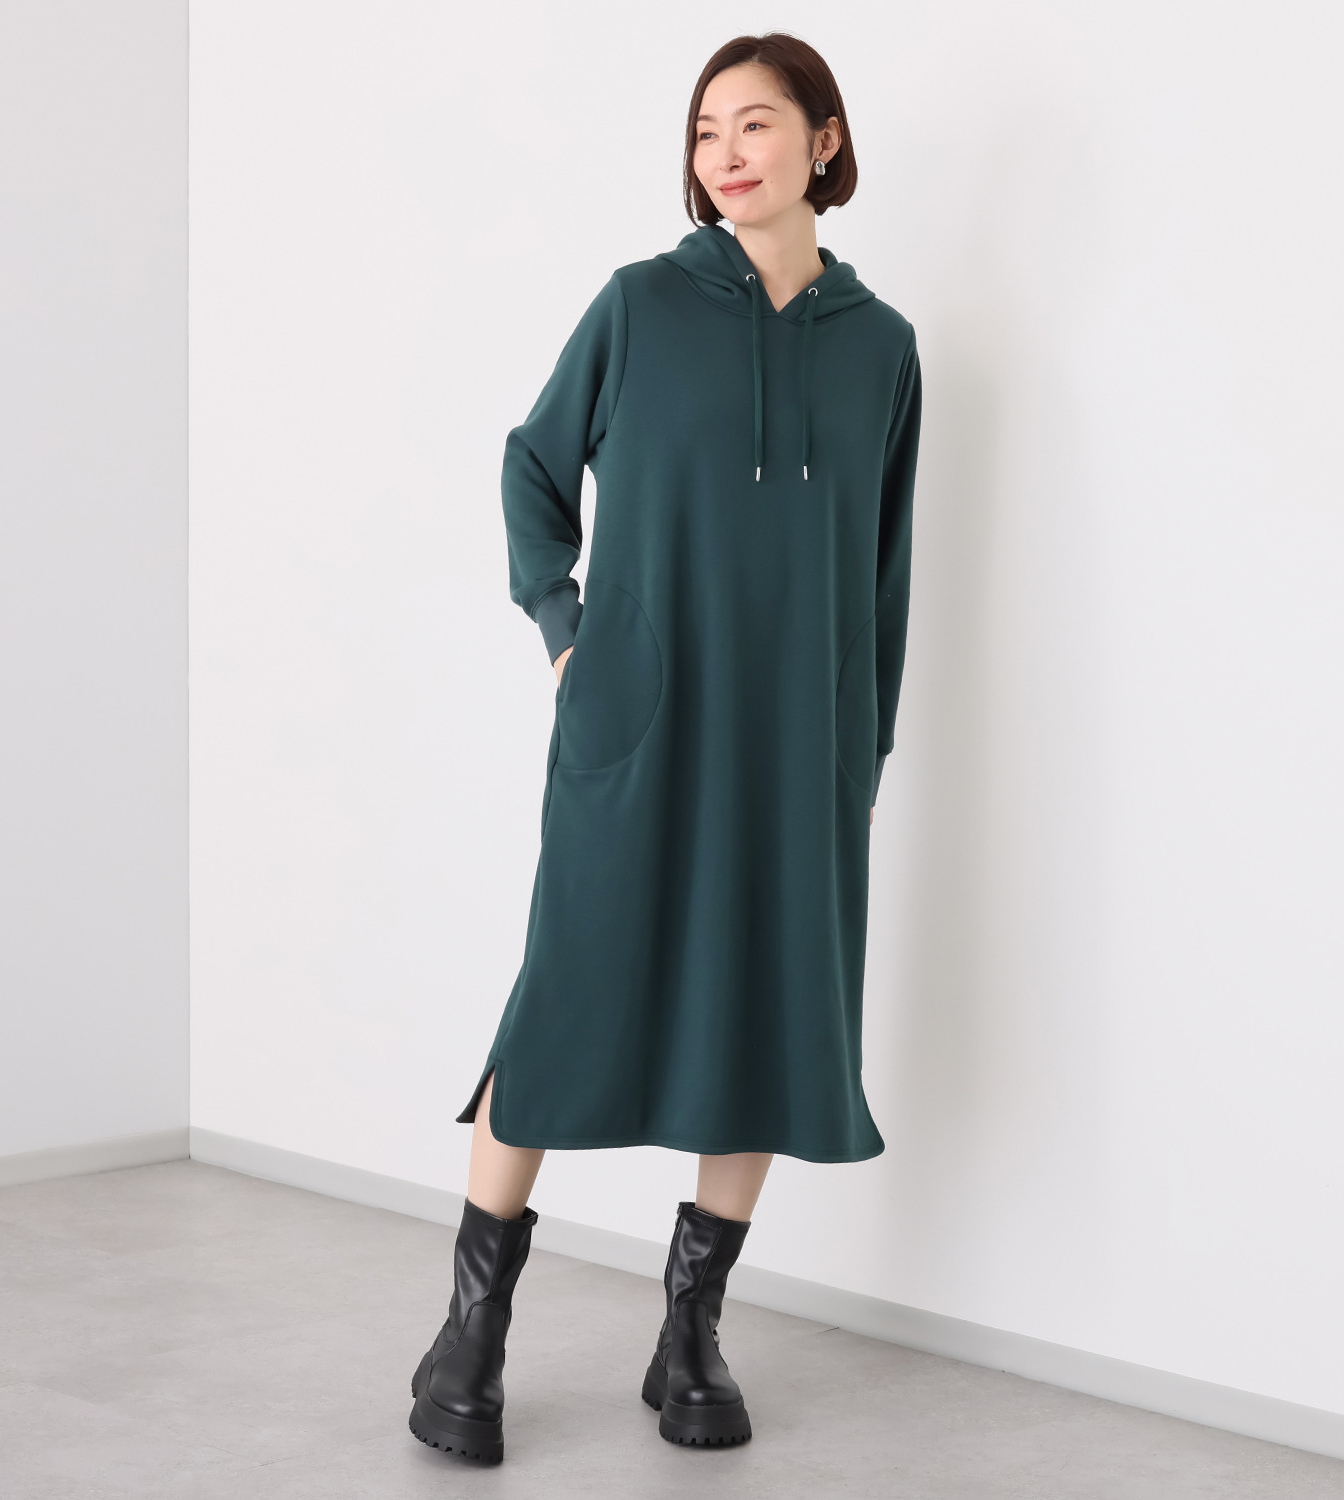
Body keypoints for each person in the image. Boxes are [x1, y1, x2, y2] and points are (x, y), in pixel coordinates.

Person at [409, 31, 923, 1465]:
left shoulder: (883, 347)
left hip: (799, 745)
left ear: (824, 140)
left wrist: (862, 746)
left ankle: (690, 1331)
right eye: (705, 131)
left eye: (754, 123)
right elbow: (533, 464)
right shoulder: (640, 304)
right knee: (560, 1002)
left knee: (762, 1012)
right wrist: (566, 629)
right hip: (636, 720)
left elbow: (884, 571)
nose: (726, 153)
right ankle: (469, 1335)